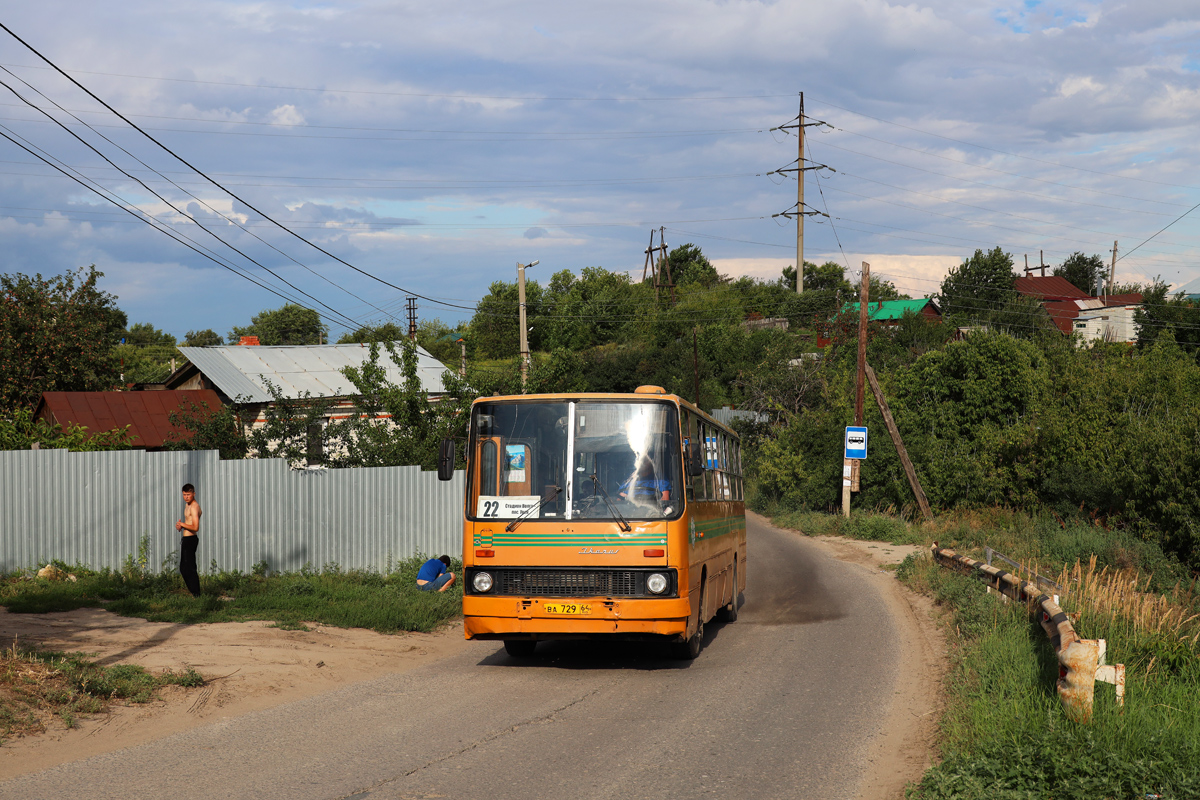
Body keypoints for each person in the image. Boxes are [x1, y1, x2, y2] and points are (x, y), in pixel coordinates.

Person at [175, 483, 202, 597]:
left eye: (188, 494)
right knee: (184, 568)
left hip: (191, 540)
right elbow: (188, 524)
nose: (186, 497)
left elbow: (196, 527)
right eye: (184, 494)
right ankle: (195, 593)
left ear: (193, 494)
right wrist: (180, 526)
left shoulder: (194, 507)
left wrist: (183, 524)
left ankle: (196, 594)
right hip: (186, 539)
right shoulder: (187, 505)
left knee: (189, 568)